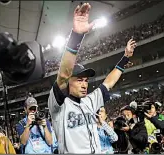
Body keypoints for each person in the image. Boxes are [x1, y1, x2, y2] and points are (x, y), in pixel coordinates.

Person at [48, 3, 136, 153]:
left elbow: (109, 82)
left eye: (86, 81)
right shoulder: (58, 105)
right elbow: (63, 75)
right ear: (69, 81)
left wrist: (125, 57)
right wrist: (76, 35)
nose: (84, 85)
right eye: (79, 80)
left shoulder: (90, 100)